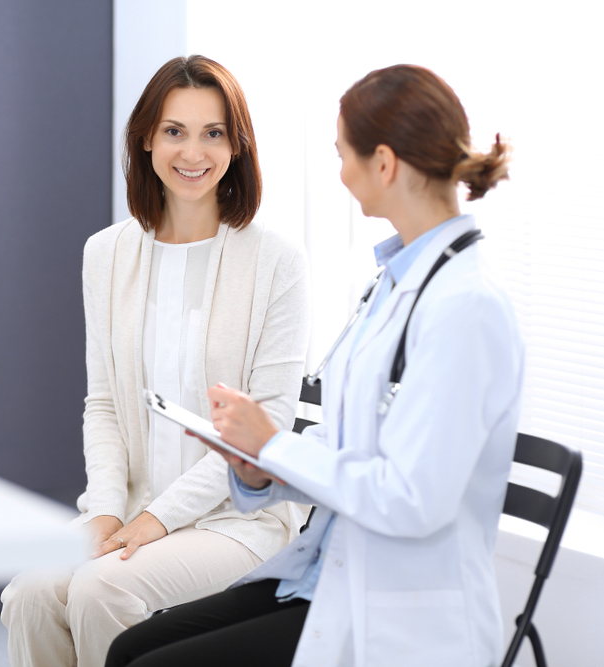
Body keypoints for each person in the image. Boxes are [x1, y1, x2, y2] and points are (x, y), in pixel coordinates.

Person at [105, 64, 524, 667]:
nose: (342, 173)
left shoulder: (467, 308)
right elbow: (343, 447)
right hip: (331, 571)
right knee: (130, 649)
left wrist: (274, 447)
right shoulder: (394, 284)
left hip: (397, 610)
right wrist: (257, 471)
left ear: (382, 164)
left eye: (342, 155)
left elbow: (411, 500)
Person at [0, 55, 311, 667]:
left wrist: (156, 522)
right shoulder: (106, 253)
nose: (192, 152)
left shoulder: (276, 261)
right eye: (174, 131)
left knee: (99, 588)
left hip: (237, 518)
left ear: (236, 145)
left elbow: (265, 428)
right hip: (130, 505)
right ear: (146, 139)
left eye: (212, 133)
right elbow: (105, 403)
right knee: (33, 592)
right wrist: (111, 510)